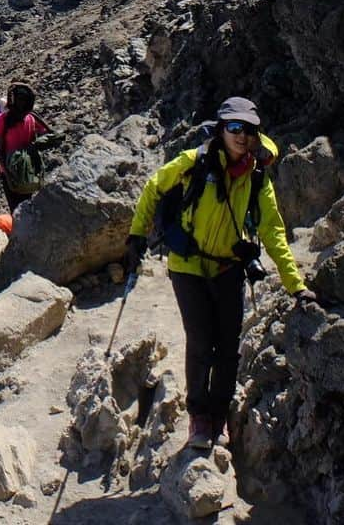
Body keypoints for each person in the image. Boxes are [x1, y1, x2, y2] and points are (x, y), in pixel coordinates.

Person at [124, 97, 317, 450]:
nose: (242, 136)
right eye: (235, 128)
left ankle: (219, 412)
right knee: (200, 342)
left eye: (249, 129)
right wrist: (137, 233)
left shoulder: (257, 177)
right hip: (187, 266)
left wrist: (296, 285)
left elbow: (273, 230)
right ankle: (199, 416)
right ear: (221, 129)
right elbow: (155, 186)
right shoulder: (194, 161)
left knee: (228, 347)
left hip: (228, 265)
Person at [0, 82, 51, 212]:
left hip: (11, 171)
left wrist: (7, 176)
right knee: (26, 203)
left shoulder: (2, 120)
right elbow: (48, 132)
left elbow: (0, 151)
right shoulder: (30, 118)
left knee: (16, 209)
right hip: (26, 170)